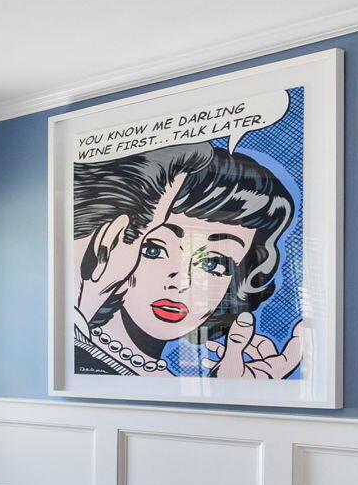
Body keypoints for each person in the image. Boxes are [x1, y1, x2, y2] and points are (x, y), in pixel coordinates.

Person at [70, 142, 300, 378]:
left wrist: (230, 389)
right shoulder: (79, 360)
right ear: (111, 244)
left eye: (213, 263)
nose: (182, 282)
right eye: (154, 250)